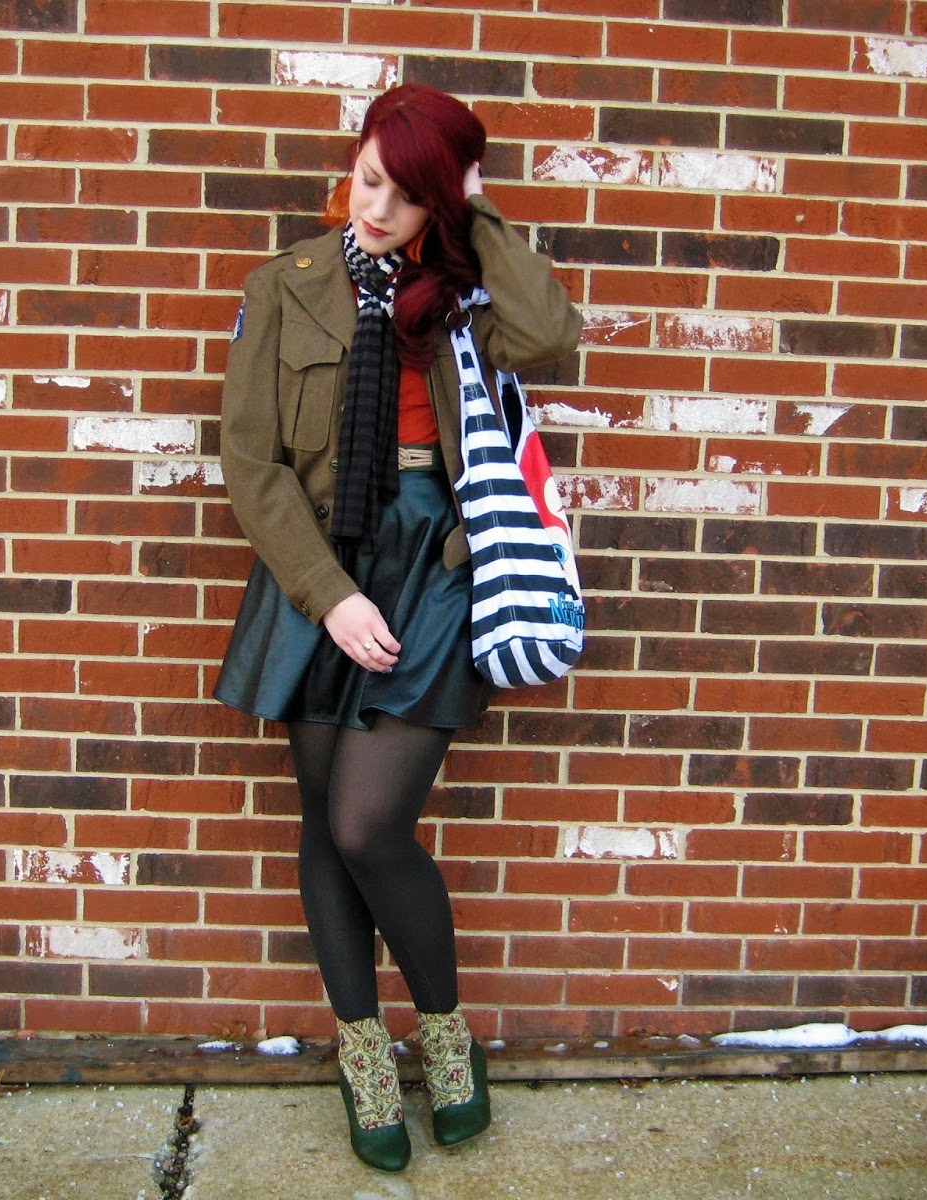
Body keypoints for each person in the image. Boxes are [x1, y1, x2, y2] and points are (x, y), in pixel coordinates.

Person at [213, 83, 582, 1172]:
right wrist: (330, 595)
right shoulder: (283, 284)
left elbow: (550, 333)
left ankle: (447, 1037)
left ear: (438, 205)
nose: (374, 209)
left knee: (370, 825)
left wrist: (474, 207)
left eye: (405, 195)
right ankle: (364, 1053)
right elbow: (251, 462)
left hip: (434, 563)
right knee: (324, 821)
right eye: (367, 179)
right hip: (319, 562)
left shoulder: (463, 291)